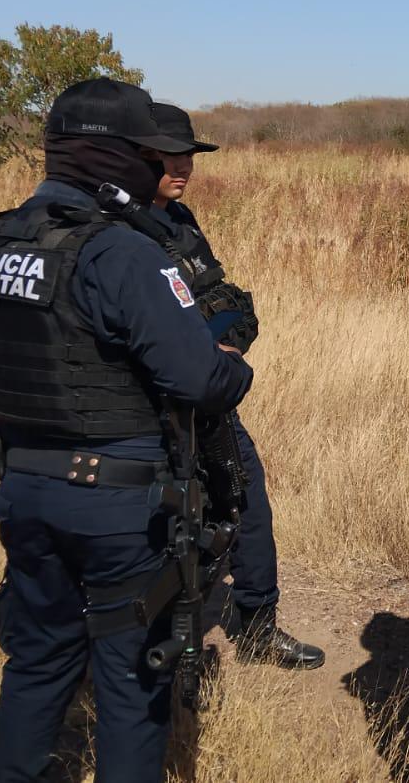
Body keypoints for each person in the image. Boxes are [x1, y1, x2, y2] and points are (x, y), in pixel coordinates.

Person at [0, 78, 253, 783]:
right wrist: (232, 368)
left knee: (39, 656)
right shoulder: (120, 253)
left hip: (23, 488)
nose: (158, 167)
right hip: (118, 503)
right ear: (113, 157)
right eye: (144, 153)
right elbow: (199, 379)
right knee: (130, 676)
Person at [144, 100, 325, 669]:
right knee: (158, 523)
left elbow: (229, 301)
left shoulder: (181, 222)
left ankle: (257, 622)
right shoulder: (121, 235)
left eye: (188, 156)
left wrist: (224, 343)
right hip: (150, 409)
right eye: (169, 157)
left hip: (210, 394)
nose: (183, 167)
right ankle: (157, 639)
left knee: (245, 498)